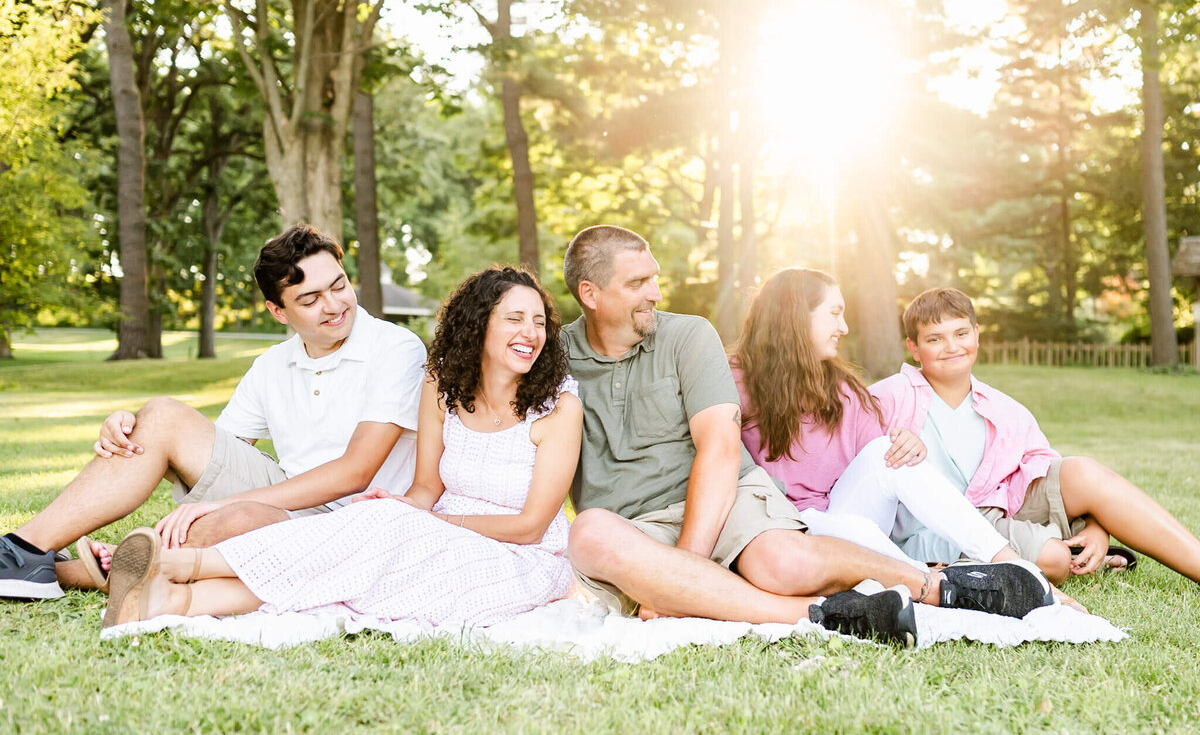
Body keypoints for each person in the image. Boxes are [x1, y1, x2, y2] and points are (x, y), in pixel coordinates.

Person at [561, 226, 1054, 647]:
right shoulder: (556, 356)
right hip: (635, 524)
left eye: (655, 278)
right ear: (591, 293)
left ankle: (937, 586)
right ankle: (824, 614)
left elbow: (720, 448)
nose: (656, 293)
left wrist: (682, 572)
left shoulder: (689, 336)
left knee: (782, 564)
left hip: (728, 505)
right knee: (589, 532)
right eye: (639, 282)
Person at [100, 267, 582, 630]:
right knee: (359, 548)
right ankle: (171, 603)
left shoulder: (558, 408)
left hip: (521, 559)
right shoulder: (443, 387)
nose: (531, 333)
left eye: (539, 321)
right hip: (436, 532)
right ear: (478, 326)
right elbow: (425, 489)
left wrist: (421, 519)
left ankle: (172, 565)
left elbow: (531, 526)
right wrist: (400, 508)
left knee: (368, 556)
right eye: (515, 318)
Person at [0, 225, 426, 601]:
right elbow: (209, 461)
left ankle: (76, 571)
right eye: (311, 299)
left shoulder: (396, 348)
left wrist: (226, 505)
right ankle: (25, 549)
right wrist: (132, 431)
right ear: (279, 312)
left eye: (339, 286)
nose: (334, 305)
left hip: (359, 517)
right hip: (287, 494)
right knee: (163, 415)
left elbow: (356, 472)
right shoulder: (272, 365)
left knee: (238, 520)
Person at [870, 287, 1200, 586]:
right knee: (1053, 560)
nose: (952, 346)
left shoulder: (1004, 409)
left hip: (998, 510)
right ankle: (1065, 550)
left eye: (961, 333)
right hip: (937, 530)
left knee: (1083, 470)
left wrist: (1097, 525)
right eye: (935, 339)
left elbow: (1047, 473)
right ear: (913, 347)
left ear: (977, 335)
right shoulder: (887, 397)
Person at [731, 268, 1031, 571]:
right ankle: (929, 579)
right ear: (795, 315)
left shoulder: (843, 390)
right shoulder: (733, 380)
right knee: (839, 529)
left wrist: (906, 445)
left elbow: (880, 466)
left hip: (844, 521)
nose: (844, 328)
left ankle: (1014, 567)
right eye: (834, 313)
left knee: (885, 455)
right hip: (778, 530)